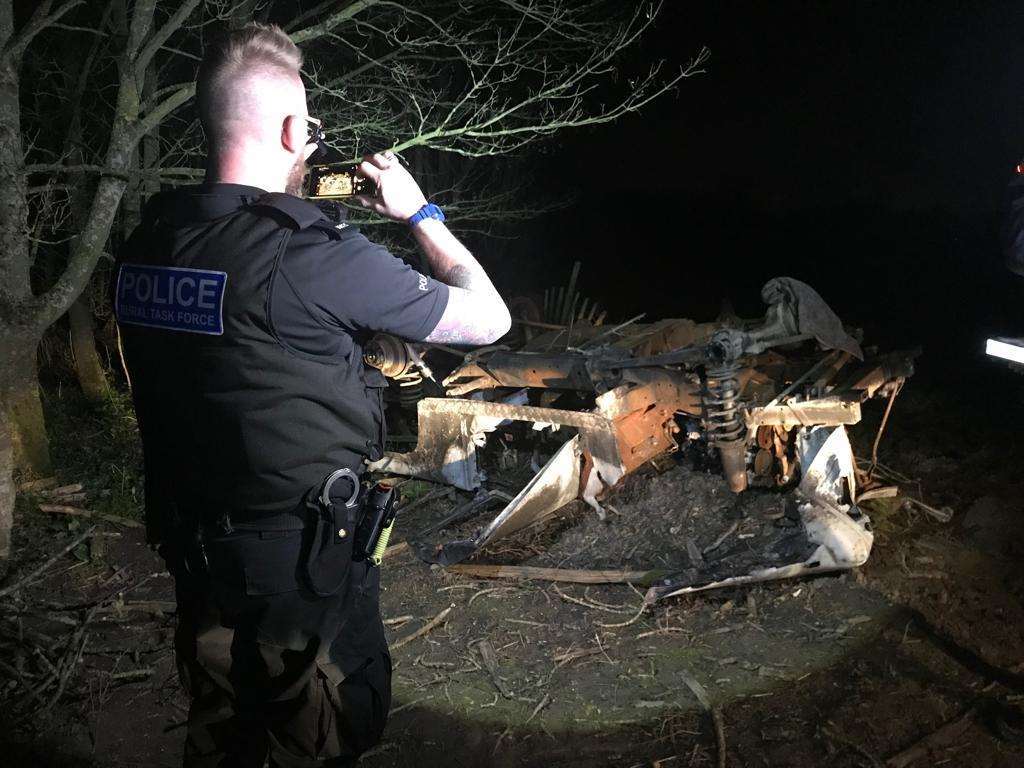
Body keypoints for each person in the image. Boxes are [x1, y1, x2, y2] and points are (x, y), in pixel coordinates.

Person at [114, 22, 510, 767]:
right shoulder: (310, 256)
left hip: (193, 543)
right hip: (297, 562)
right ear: (296, 129)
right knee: (322, 726)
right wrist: (419, 214)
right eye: (314, 130)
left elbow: (241, 350)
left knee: (223, 724)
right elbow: (490, 318)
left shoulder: (150, 242)